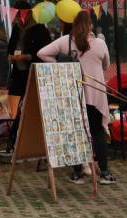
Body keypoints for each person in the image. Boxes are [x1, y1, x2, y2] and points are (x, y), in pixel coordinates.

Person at [38, 11, 116, 184]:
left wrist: (60, 66)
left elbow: (42, 53)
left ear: (73, 25)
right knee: (98, 133)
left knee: (75, 133)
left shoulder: (65, 41)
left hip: (73, 95)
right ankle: (104, 173)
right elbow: (106, 65)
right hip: (95, 94)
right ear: (90, 26)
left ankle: (78, 173)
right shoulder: (100, 43)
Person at [7, 4, 53, 118]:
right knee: (13, 96)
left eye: (20, 15)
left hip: (33, 73)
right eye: (17, 16)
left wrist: (27, 57)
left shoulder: (41, 30)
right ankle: (12, 125)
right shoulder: (16, 28)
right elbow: (9, 48)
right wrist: (9, 57)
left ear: (29, 14)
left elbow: (46, 53)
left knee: (32, 102)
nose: (18, 18)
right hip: (17, 72)